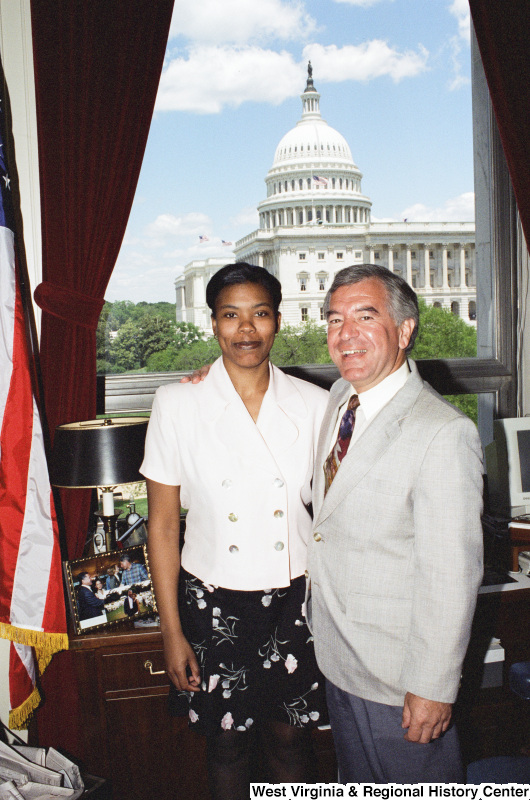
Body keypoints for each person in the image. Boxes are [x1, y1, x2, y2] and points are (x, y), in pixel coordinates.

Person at [141, 263, 329, 799]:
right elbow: (161, 525)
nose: (246, 330)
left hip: (297, 599)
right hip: (213, 600)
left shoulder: (316, 405)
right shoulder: (178, 404)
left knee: (293, 741)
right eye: (231, 315)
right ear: (214, 323)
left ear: (278, 321)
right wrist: (171, 632)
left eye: (260, 314)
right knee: (226, 746)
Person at [307, 264, 484, 783]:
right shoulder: (342, 398)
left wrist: (433, 686)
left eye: (366, 316)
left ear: (405, 331)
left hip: (400, 679)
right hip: (339, 658)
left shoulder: (443, 434)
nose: (346, 334)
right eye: (335, 319)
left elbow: (451, 577)